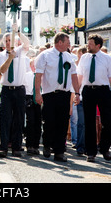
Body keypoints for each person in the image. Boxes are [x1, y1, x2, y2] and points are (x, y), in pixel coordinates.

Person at [77, 34, 111, 162]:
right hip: (88, 90)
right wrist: (77, 93)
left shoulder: (107, 58)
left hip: (103, 90)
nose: (88, 46)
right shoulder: (84, 58)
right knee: (89, 122)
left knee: (108, 121)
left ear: (98, 45)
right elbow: (80, 77)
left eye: (90, 44)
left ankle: (105, 148)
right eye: (88, 43)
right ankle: (90, 152)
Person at [35, 33, 79, 162]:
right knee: (49, 122)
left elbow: (74, 75)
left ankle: (59, 151)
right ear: (60, 42)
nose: (69, 44)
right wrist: (37, 93)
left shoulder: (69, 57)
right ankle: (47, 145)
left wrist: (77, 93)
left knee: (63, 123)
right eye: (67, 42)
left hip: (64, 93)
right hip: (49, 94)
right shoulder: (45, 55)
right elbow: (38, 75)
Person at [0, 25, 30, 158]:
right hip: (6, 90)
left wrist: (19, 32)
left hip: (19, 89)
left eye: (11, 40)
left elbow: (27, 43)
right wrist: (10, 57)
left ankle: (17, 147)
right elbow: (2, 70)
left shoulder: (21, 51)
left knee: (19, 119)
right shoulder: (1, 55)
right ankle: (3, 147)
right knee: (5, 119)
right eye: (7, 41)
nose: (9, 43)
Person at [24, 57, 41, 156]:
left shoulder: (42, 75)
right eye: (34, 65)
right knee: (30, 122)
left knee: (38, 123)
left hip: (40, 99)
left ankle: (36, 145)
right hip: (29, 98)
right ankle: (29, 145)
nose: (35, 67)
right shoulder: (27, 76)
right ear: (30, 66)